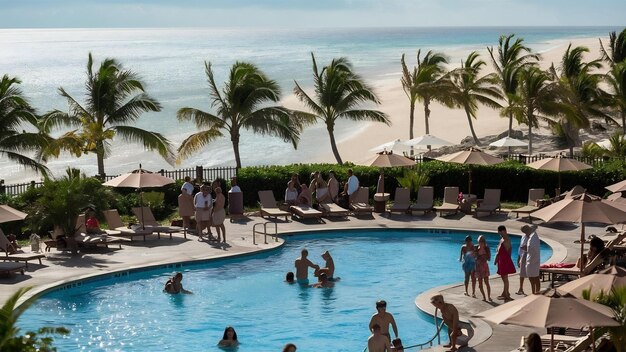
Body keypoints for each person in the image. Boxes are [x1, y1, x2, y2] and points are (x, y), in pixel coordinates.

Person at [495, 225, 516, 301]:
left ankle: (507, 295)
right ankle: (505, 293)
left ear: (503, 231)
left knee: (505, 278)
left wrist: (507, 260)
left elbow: (509, 249)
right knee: (503, 278)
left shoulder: (506, 239)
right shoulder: (502, 239)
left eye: (499, 231)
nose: (498, 233)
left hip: (504, 261)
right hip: (502, 260)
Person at [523, 224, 541, 294]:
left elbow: (534, 250)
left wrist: (527, 250)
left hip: (533, 261)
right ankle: (534, 292)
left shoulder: (534, 238)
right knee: (532, 277)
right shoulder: (532, 237)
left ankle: (536, 292)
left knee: (535, 277)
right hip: (531, 260)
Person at [475, 235, 492, 301]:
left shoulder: (487, 248)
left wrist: (482, 256)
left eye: (482, 241)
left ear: (484, 242)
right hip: (478, 267)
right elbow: (474, 257)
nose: (480, 243)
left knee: (486, 282)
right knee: (480, 284)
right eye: (479, 241)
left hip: (484, 267)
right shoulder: (476, 248)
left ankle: (489, 296)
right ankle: (484, 297)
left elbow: (489, 258)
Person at [516, 225, 530, 295]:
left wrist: (526, 248)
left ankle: (534, 289)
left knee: (530, 274)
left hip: (528, 256)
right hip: (523, 256)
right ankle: (520, 288)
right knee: (522, 274)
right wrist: (518, 258)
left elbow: (533, 249)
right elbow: (520, 248)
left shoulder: (531, 238)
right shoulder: (523, 236)